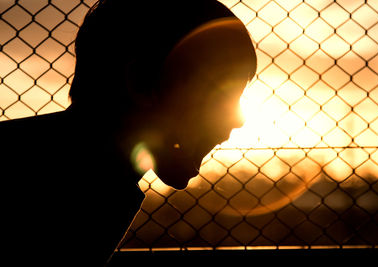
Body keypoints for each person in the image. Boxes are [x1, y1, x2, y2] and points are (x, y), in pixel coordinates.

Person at [0, 0, 256, 265]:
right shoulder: (83, 193)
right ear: (141, 82)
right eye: (219, 96)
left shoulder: (93, 182)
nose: (238, 120)